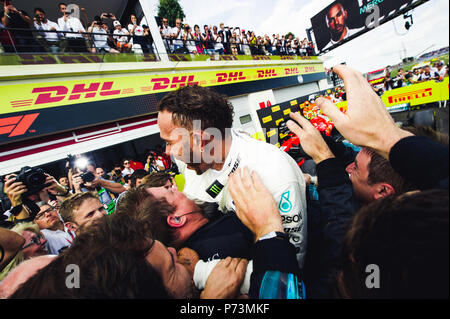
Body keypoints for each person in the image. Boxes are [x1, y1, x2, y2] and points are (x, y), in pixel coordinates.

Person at [157, 85, 308, 267]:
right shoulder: (190, 161)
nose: (167, 152)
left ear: (200, 140)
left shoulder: (273, 174)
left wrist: (204, 275)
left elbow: (291, 263)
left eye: (169, 142)